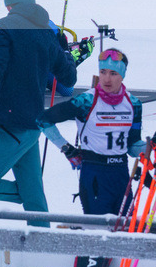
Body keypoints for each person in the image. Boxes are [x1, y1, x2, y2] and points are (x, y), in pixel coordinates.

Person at [0, 0, 77, 224]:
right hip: (32, 126)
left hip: (14, 126)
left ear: (9, 5)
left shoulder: (3, 26)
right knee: (35, 200)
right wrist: (63, 48)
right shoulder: (46, 32)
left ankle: (40, 249)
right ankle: (42, 255)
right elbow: (69, 77)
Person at [39, 48, 146, 214]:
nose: (106, 79)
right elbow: (43, 120)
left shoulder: (134, 104)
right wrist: (67, 149)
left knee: (125, 231)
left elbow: (132, 146)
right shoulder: (86, 101)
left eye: (113, 73)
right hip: (94, 173)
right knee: (97, 231)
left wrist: (151, 146)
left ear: (122, 75)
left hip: (121, 174)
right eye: (103, 72)